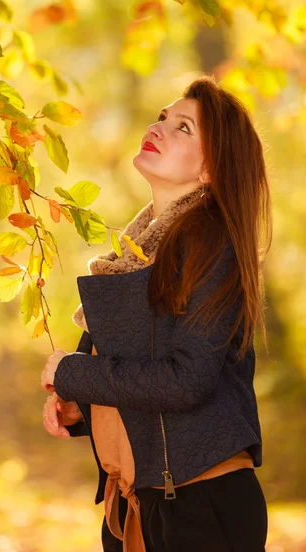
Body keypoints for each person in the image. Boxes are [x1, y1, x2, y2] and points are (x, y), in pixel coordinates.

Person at [40, 75, 271, 551]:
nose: (159, 127)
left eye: (184, 128)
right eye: (164, 117)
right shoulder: (134, 257)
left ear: (212, 170)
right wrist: (79, 407)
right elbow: (136, 373)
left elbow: (185, 382)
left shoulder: (213, 244)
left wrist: (76, 373)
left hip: (202, 507)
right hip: (137, 507)